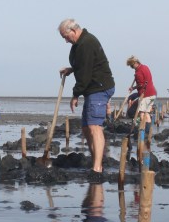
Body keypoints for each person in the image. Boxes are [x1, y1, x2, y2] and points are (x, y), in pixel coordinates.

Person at [58, 19, 115, 173]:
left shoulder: (86, 43)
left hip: (99, 87)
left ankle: (97, 167)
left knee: (94, 127)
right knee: (85, 128)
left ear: (74, 31)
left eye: (66, 36)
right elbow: (83, 65)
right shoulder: (80, 43)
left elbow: (85, 74)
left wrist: (75, 95)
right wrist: (72, 69)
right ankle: (96, 161)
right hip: (93, 88)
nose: (65, 40)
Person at [125, 56, 157, 133]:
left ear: (136, 63)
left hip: (145, 95)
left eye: (132, 66)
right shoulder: (145, 67)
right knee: (147, 113)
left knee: (142, 113)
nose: (132, 67)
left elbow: (141, 84)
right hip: (152, 93)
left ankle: (144, 132)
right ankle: (148, 131)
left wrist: (133, 87)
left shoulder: (138, 73)